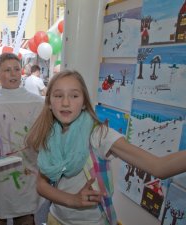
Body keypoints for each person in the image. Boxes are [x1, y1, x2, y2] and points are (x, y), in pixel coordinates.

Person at [25, 70, 186, 225]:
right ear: (49, 103)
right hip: (55, 218)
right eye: (58, 95)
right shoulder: (50, 135)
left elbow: (159, 167)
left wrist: (74, 201)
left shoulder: (98, 135)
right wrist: (72, 200)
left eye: (74, 96)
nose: (66, 102)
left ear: (83, 103)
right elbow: (41, 185)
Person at [0, 53, 45, 225]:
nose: (13, 73)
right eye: (7, 70)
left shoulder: (37, 103)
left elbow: (46, 133)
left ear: (22, 72)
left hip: (28, 169)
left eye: (16, 69)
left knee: (25, 215)